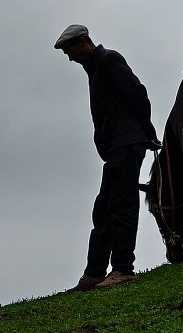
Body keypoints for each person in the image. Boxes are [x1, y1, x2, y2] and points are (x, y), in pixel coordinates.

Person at [54, 24, 157, 290]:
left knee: (122, 205)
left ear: (83, 42)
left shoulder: (108, 59)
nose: (69, 57)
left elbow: (138, 93)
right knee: (104, 209)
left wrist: (147, 131)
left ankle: (123, 269)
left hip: (127, 143)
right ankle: (95, 272)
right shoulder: (95, 68)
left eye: (70, 50)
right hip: (115, 147)